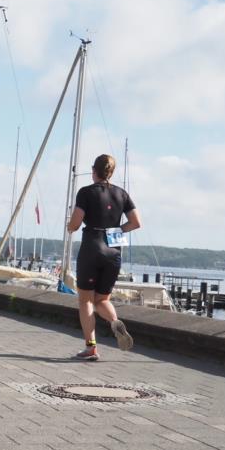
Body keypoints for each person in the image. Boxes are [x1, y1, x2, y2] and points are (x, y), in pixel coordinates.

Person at [65, 154, 141, 360]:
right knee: (102, 299)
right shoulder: (122, 194)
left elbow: (76, 222)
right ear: (111, 172)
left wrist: (69, 226)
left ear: (94, 171)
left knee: (86, 301)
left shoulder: (86, 192)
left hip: (92, 247)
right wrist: (116, 230)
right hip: (113, 251)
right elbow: (135, 222)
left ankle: (91, 347)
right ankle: (114, 320)